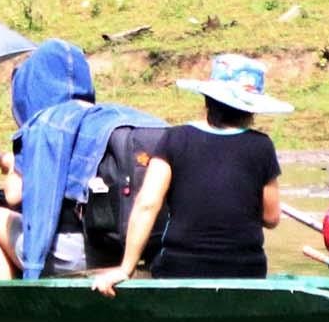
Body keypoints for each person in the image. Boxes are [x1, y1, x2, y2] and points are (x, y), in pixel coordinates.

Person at [95, 53, 287, 295]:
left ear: (208, 100)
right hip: (246, 271)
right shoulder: (262, 146)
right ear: (250, 110)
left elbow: (147, 204)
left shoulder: (174, 138)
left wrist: (125, 269)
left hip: (180, 268)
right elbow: (271, 217)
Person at [0, 39, 162, 280]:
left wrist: (13, 163)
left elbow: (14, 195)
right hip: (141, 247)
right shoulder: (113, 117)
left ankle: (12, 311)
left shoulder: (45, 124)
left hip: (84, 253)